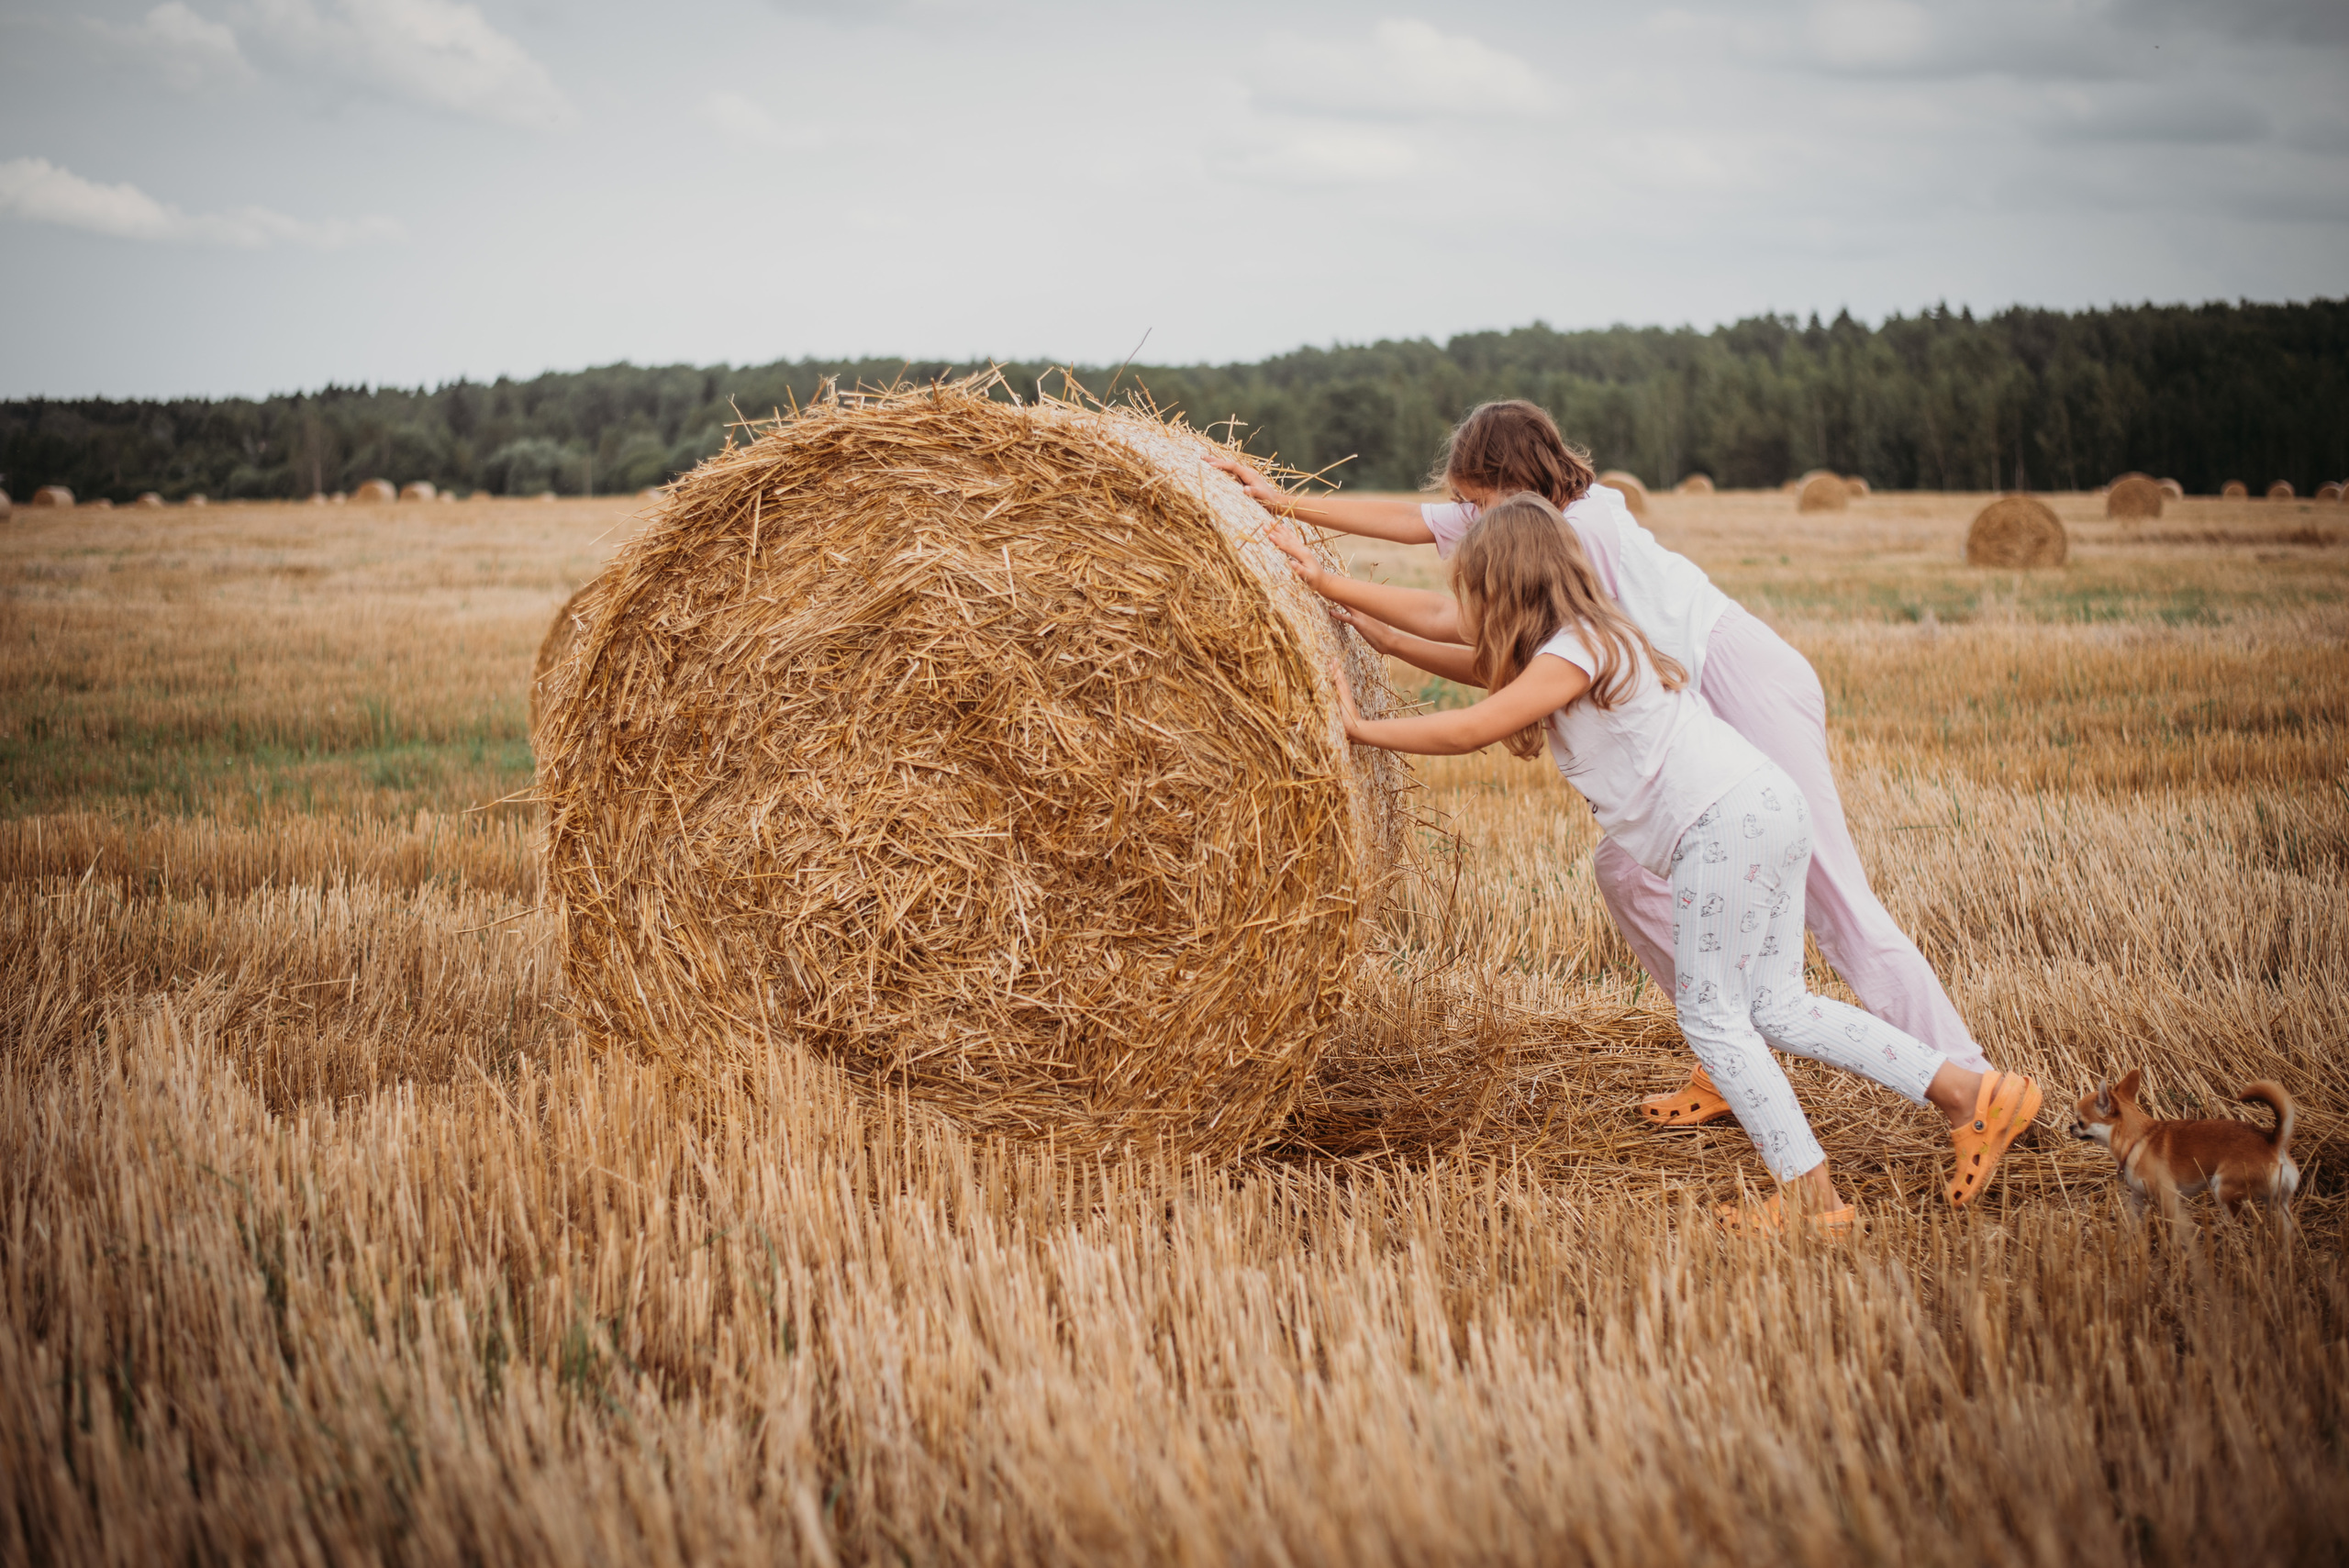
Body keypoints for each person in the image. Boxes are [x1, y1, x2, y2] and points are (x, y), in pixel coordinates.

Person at [1208, 401, 1993, 1142]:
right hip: (1674, 696)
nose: (1466, 520)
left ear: (1516, 485)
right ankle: (1730, 1052)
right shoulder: (1521, 517)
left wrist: (1330, 591)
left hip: (1736, 672)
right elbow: (1415, 523)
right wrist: (1281, 501)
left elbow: (1475, 638)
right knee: (1624, 871)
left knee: (1837, 899)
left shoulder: (1576, 533)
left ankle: (1973, 1081)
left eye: (1477, 502)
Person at [1312, 492, 2042, 1226]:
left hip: (1722, 827)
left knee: (1714, 1015)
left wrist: (1360, 728)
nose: (1465, 602)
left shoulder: (1575, 651)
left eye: (1473, 586)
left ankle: (1810, 1196)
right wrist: (1386, 638)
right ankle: (1969, 1093)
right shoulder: (1587, 639)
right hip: (1763, 806)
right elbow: (1484, 668)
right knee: (1778, 1007)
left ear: (1505, 584)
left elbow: (1472, 726)